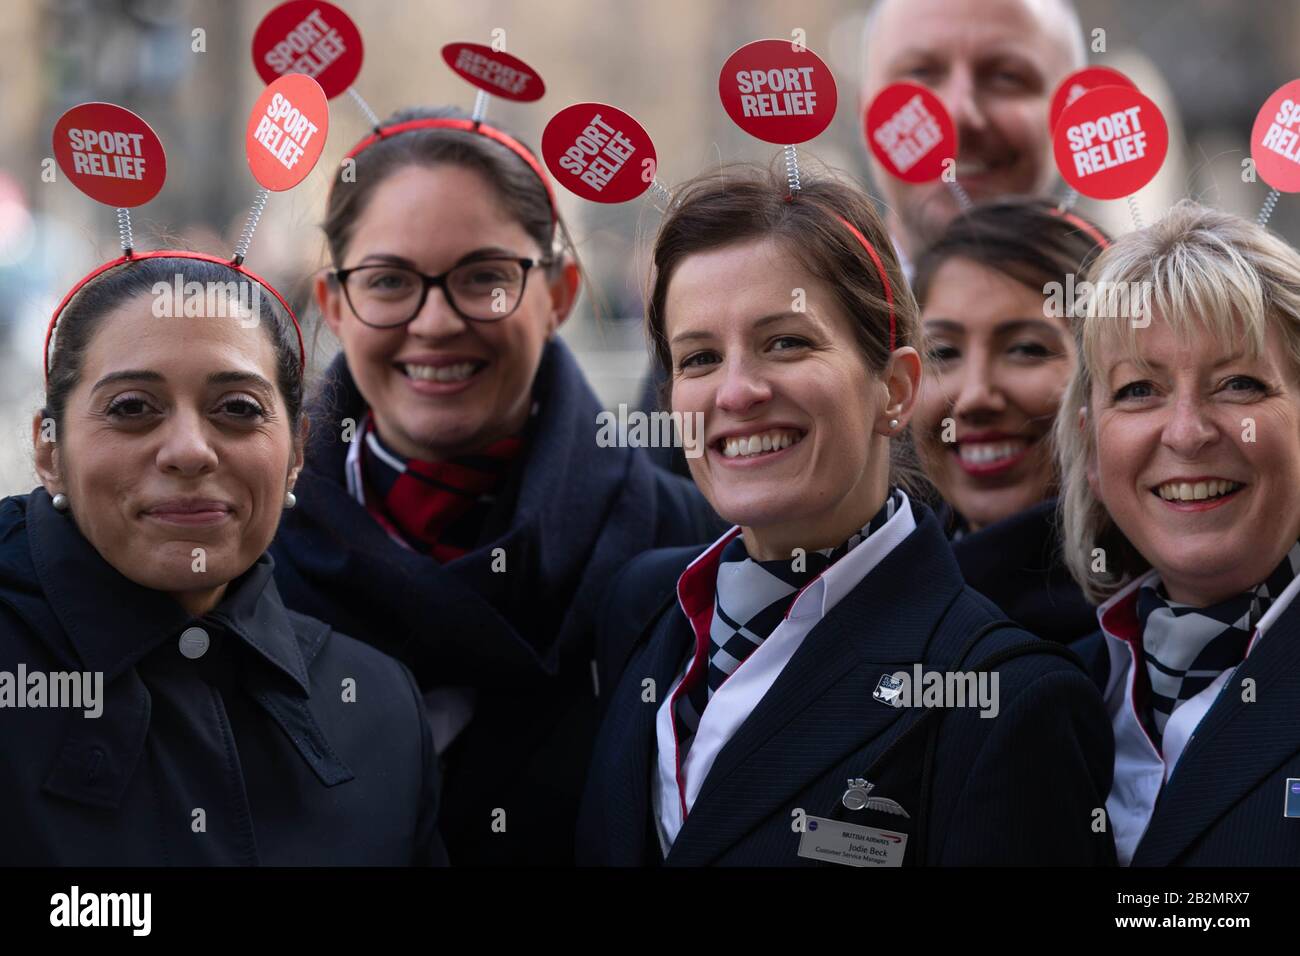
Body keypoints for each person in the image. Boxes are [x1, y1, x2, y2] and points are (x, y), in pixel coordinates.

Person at [577, 163, 1115, 866]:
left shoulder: (1009, 697)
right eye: (700, 357)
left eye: (786, 342)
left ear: (896, 389)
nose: (736, 392)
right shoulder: (641, 611)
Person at [269, 106, 721, 866]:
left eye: (484, 277)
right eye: (389, 281)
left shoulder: (687, 556)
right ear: (335, 305)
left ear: (561, 293)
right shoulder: (244, 554)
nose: (436, 322)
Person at [0, 253, 445, 865]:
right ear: (50, 452)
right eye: (132, 407)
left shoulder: (379, 705)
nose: (189, 451)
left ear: (295, 454)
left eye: (238, 408)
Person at [1056, 200, 1300, 865]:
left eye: (1241, 384)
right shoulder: (1047, 690)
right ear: (1092, 446)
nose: (1188, 433)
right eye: (1139, 390)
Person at [911, 198, 1109, 643]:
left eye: (1026, 349)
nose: (976, 396)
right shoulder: (864, 596)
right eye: (942, 352)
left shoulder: (1164, 621)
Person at [860, 0, 1087, 272]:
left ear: (1072, 113)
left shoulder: (1132, 310)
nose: (958, 114)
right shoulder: (809, 301)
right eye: (920, 72)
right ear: (863, 111)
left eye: (1007, 76)